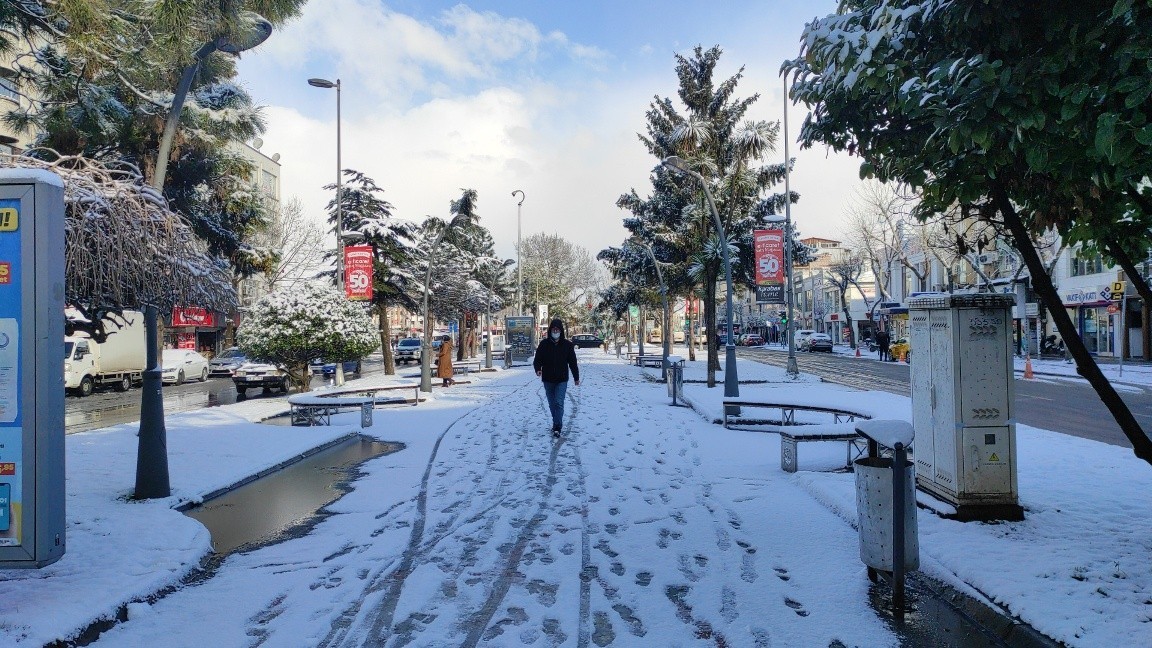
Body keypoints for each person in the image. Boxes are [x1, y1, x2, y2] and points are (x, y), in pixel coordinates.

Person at [534, 318, 580, 437]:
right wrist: (538, 369)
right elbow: (537, 359)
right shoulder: (544, 344)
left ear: (561, 331)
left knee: (559, 402)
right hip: (548, 379)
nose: (555, 331)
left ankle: (557, 426)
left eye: (557, 329)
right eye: (553, 329)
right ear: (550, 330)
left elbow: (573, 362)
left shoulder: (567, 345)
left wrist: (576, 377)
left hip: (561, 379)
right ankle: (556, 422)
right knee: (552, 404)